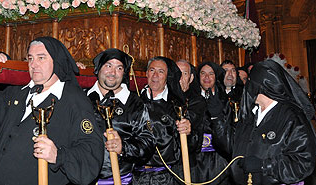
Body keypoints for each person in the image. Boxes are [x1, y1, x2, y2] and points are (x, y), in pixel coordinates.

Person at [0, 36, 104, 185]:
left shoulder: (74, 100)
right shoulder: (18, 91)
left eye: (41, 58)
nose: (34, 64)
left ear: (57, 61)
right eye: (30, 58)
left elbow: (91, 152)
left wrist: (58, 155)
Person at [210, 59, 316, 185]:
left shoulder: (292, 117)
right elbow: (233, 145)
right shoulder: (252, 114)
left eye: (250, 82)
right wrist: (217, 119)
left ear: (262, 86)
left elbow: (303, 162)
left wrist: (264, 166)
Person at [87, 48, 154, 184]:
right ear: (99, 68)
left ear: (124, 73)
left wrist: (123, 147)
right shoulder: (82, 99)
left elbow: (148, 143)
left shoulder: (135, 104)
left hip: (120, 180)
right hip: (84, 179)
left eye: (119, 68)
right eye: (108, 66)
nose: (112, 72)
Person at [135, 57, 196, 185]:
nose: (155, 75)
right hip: (137, 176)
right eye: (152, 70)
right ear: (146, 73)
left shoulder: (177, 105)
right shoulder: (134, 101)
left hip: (165, 177)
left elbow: (192, 146)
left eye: (161, 71)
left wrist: (188, 132)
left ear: (167, 76)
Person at [193, 62, 232, 185]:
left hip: (218, 159)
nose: (206, 78)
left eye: (211, 74)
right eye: (203, 74)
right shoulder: (192, 100)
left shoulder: (224, 101)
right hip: (196, 161)